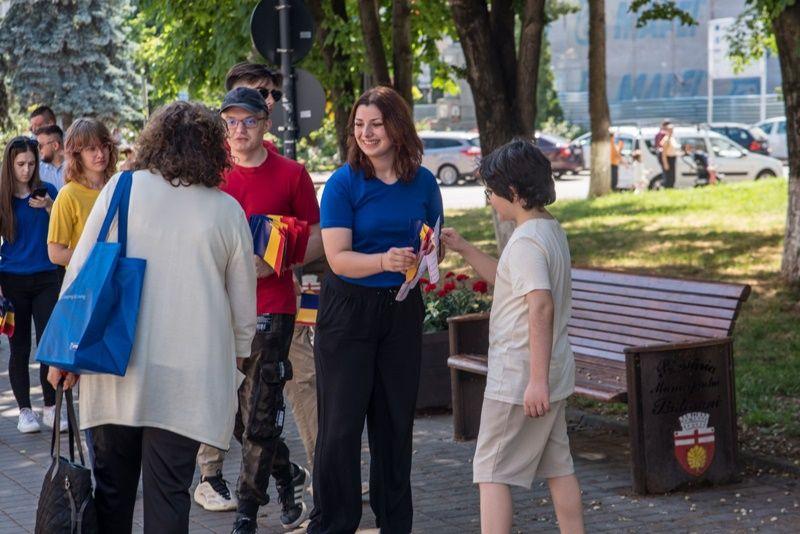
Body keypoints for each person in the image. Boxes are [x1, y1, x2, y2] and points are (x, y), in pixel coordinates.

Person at [47, 101, 257, 534]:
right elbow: (243, 309)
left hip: (113, 369)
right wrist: (235, 362)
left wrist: (63, 355)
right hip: (187, 380)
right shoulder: (226, 210)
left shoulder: (121, 189)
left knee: (112, 496)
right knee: (169, 498)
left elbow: (79, 272)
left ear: (154, 142)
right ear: (211, 150)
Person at [307, 86, 444, 534]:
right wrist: (385, 261)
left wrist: (428, 255)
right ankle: (334, 524)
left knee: (394, 427)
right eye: (359, 125)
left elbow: (433, 242)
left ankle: (396, 523)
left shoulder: (423, 182)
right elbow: (337, 258)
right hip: (348, 311)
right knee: (340, 428)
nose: (366, 133)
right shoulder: (343, 183)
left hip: (401, 310)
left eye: (376, 124)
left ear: (398, 128)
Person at [193, 63, 321, 518]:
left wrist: (275, 260)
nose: (240, 128)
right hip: (218, 309)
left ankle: (252, 511)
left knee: (267, 408)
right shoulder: (209, 172)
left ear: (265, 123)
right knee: (234, 412)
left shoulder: (289, 172)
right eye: (232, 121)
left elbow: (315, 235)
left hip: (273, 306)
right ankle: (283, 475)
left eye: (250, 119)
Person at [440, 139, 585, 534]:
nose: (489, 200)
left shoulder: (525, 242)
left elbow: (540, 305)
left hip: (521, 380)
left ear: (515, 192)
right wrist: (465, 248)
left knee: (491, 470)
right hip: (550, 371)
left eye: (491, 192)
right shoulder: (548, 230)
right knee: (559, 466)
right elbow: (509, 279)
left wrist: (535, 381)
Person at [0, 136, 64, 434]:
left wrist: (50, 207)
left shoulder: (48, 191)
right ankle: (25, 411)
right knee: (20, 347)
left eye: (31, 163)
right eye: (20, 164)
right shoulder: (3, 198)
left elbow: (64, 231)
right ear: (10, 165)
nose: (26, 170)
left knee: (49, 344)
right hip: (12, 281)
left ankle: (51, 407)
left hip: (47, 277)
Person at [47, 118, 117, 267]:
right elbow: (56, 254)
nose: (100, 154)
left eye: (104, 146)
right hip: (86, 278)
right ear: (77, 154)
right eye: (91, 149)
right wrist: (101, 257)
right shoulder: (68, 195)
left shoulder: (118, 187)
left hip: (121, 276)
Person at [36, 124, 66, 190]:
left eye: (40, 146)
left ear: (55, 145)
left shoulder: (75, 167)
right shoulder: (38, 171)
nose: (38, 149)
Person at [659, 123, 679, 188]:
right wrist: (665, 163)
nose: (671, 131)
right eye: (670, 130)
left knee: (673, 176)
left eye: (672, 130)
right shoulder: (666, 139)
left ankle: (671, 188)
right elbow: (663, 153)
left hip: (672, 158)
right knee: (668, 177)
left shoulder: (672, 138)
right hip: (668, 159)